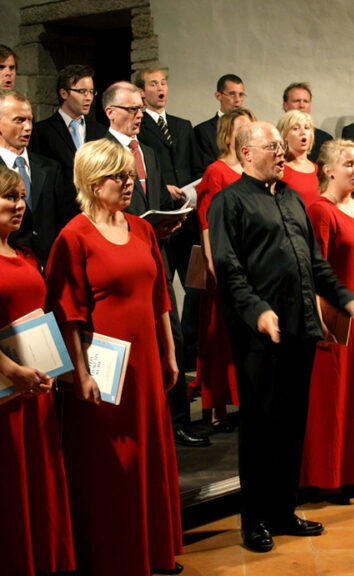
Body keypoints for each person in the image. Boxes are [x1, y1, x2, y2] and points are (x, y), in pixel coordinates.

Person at [207, 121, 354, 553]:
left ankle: (283, 512)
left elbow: (316, 265)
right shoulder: (227, 203)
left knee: (291, 427)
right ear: (247, 153)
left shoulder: (291, 199)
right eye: (272, 147)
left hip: (300, 330)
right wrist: (259, 311)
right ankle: (254, 522)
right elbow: (229, 271)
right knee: (260, 430)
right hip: (259, 336)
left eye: (282, 147)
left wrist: (347, 299)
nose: (282, 154)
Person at [46, 138, 183, 576]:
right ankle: (113, 557)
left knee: (148, 457)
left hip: (146, 362)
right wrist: (80, 373)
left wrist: (171, 351)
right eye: (118, 176)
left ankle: (151, 551)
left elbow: (160, 296)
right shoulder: (74, 236)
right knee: (110, 465)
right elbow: (67, 314)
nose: (129, 183)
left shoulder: (140, 229)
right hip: (105, 368)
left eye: (129, 175)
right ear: (91, 181)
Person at [103, 80, 208, 447]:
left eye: (140, 109)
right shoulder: (97, 152)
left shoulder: (148, 150)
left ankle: (176, 420)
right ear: (110, 112)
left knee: (172, 336)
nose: (138, 116)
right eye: (131, 110)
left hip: (154, 253)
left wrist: (169, 220)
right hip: (118, 256)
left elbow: (155, 196)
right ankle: (141, 421)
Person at [301, 139, 354, 504]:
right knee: (333, 398)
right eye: (348, 163)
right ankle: (328, 477)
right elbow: (312, 269)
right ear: (328, 169)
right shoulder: (320, 211)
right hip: (334, 317)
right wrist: (321, 318)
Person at [0, 166, 75, 576]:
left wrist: (54, 369)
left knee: (39, 481)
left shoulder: (24, 253)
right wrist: (13, 371)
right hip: (7, 391)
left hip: (36, 388)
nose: (18, 205)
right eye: (8, 197)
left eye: (21, 197)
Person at [135, 66, 205, 376]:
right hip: (160, 224)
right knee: (164, 295)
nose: (160, 88)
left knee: (197, 289)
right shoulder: (138, 129)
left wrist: (192, 190)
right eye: (153, 84)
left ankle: (191, 357)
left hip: (187, 221)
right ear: (142, 92)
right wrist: (163, 188)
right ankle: (171, 357)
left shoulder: (182, 125)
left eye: (163, 82)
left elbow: (193, 166)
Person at [191, 107, 256, 430]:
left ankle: (245, 399)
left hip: (253, 263)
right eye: (240, 128)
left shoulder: (253, 169)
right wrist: (215, 263)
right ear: (228, 134)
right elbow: (206, 221)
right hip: (226, 261)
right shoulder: (217, 170)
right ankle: (218, 406)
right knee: (222, 337)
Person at [0, 89, 74, 268]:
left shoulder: (49, 167)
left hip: (48, 266)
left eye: (29, 120)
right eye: (19, 120)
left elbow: (60, 221)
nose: (28, 127)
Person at [29, 64, 108, 193]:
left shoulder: (100, 131)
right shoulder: (42, 131)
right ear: (64, 93)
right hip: (61, 208)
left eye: (91, 92)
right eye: (82, 91)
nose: (88, 97)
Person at [195, 74, 246, 167]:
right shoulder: (203, 131)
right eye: (232, 94)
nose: (237, 100)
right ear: (218, 96)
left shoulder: (250, 128)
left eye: (241, 94)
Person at [277, 109, 320, 206]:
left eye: (306, 128)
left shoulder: (319, 170)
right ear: (284, 136)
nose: (303, 132)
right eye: (295, 128)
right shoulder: (279, 170)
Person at [281, 82, 333, 162]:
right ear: (285, 105)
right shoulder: (275, 137)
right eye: (296, 101)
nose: (302, 105)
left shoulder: (325, 139)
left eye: (305, 101)